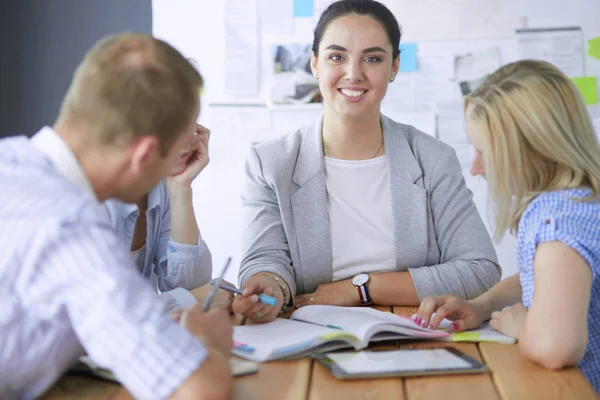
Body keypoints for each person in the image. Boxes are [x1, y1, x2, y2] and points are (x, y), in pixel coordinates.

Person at [233, 0, 500, 323]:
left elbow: (479, 269)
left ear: (394, 67)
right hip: (309, 332)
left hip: (413, 329)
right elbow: (267, 259)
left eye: (372, 58)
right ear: (315, 64)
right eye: (336, 57)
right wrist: (270, 285)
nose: (353, 73)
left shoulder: (432, 159)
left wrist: (360, 288)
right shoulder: (270, 163)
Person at [0, 34, 233, 400]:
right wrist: (210, 344)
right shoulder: (72, 228)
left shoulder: (10, 160)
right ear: (144, 155)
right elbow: (199, 390)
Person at [413, 60, 600, 392]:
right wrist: (481, 305)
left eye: (484, 152)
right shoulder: (581, 201)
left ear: (532, 149)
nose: (475, 168)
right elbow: (543, 276)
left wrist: (522, 327)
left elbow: (556, 348)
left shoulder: (557, 220)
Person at [104, 122, 233, 312]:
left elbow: (191, 286)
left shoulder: (158, 186)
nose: (189, 145)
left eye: (191, 124)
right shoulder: (97, 196)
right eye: (175, 124)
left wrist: (181, 189)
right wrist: (192, 299)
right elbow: (107, 312)